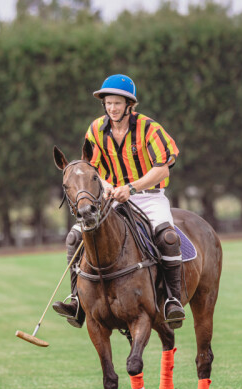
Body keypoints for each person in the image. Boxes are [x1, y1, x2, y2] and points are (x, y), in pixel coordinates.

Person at [52, 74, 187, 329]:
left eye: (117, 103)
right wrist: (107, 187)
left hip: (148, 197)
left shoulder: (150, 128)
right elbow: (91, 169)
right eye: (108, 103)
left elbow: (162, 169)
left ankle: (172, 299)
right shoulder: (95, 130)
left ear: (129, 105)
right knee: (74, 237)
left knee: (168, 237)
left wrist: (132, 188)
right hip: (110, 196)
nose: (112, 108)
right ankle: (76, 300)